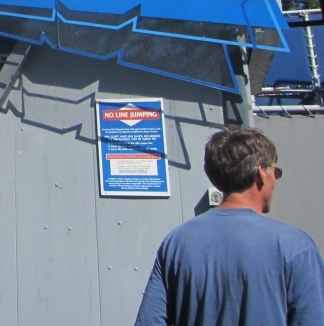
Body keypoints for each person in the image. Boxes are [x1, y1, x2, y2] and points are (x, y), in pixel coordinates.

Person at [135, 126, 324, 326]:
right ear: (262, 172)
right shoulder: (294, 246)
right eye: (275, 172)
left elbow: (149, 321)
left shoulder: (177, 243)